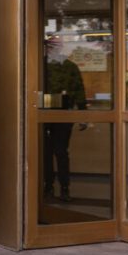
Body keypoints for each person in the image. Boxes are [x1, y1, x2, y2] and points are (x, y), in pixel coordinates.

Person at [42, 35, 87, 202]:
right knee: (45, 153)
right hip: (42, 115)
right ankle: (48, 186)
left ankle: (64, 187)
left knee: (60, 152)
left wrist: (82, 114)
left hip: (63, 115)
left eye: (55, 46)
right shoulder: (39, 66)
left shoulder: (69, 67)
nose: (52, 48)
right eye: (50, 45)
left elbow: (79, 90)